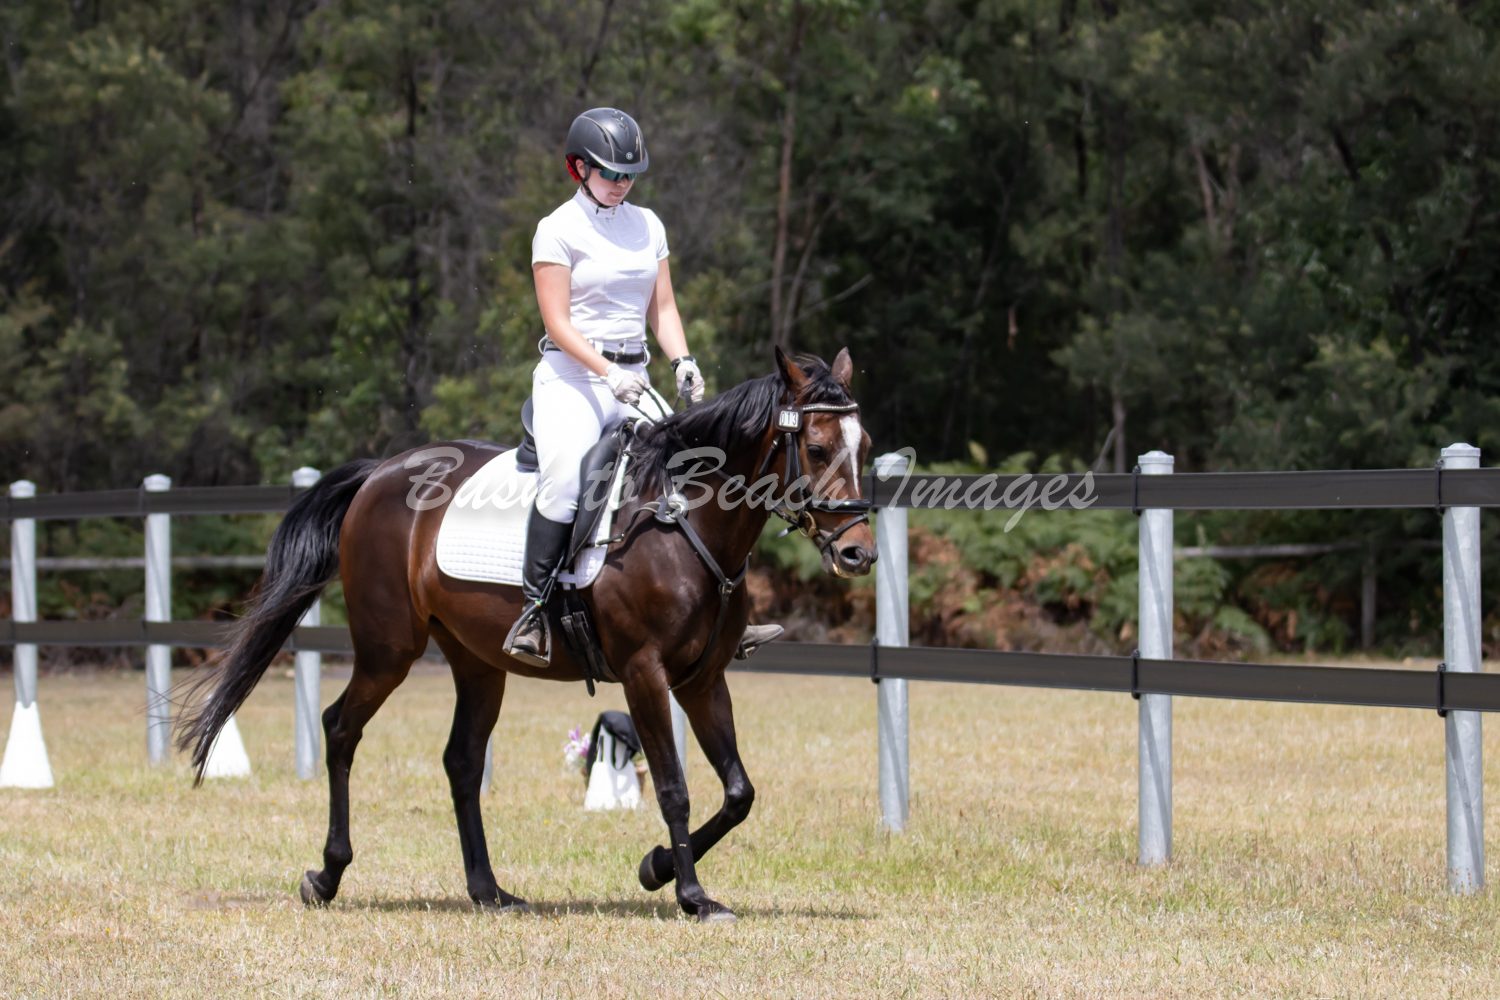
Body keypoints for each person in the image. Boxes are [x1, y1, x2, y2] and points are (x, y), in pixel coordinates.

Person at [504, 108, 781, 666]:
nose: (622, 183)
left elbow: (664, 308)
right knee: (565, 482)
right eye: (611, 173)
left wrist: (683, 360)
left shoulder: (648, 225)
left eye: (630, 174)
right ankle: (534, 611)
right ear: (579, 168)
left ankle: (731, 613)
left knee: (704, 474)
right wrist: (606, 372)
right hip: (573, 378)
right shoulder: (556, 229)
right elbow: (557, 322)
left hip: (636, 376)